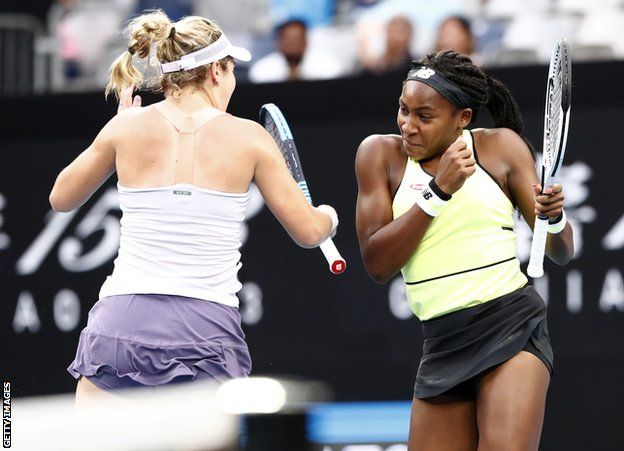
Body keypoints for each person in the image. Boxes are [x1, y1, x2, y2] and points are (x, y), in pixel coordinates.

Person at [51, 10, 339, 406]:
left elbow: (60, 198)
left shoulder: (126, 127)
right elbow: (310, 232)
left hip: (121, 323)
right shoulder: (249, 138)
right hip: (206, 330)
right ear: (217, 72)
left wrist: (118, 129)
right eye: (233, 70)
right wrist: (329, 217)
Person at [355, 50, 574, 450]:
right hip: (442, 342)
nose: (408, 125)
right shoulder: (378, 155)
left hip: (512, 326)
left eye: (424, 116)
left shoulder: (501, 149)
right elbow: (377, 263)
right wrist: (438, 192)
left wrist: (555, 218)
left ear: (463, 119)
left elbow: (561, 251)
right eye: (403, 110)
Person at [248, 18, 344, 83]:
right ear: (278, 42)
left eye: (297, 39)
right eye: (287, 40)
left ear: (306, 41)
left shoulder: (327, 66)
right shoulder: (262, 70)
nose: (292, 44)